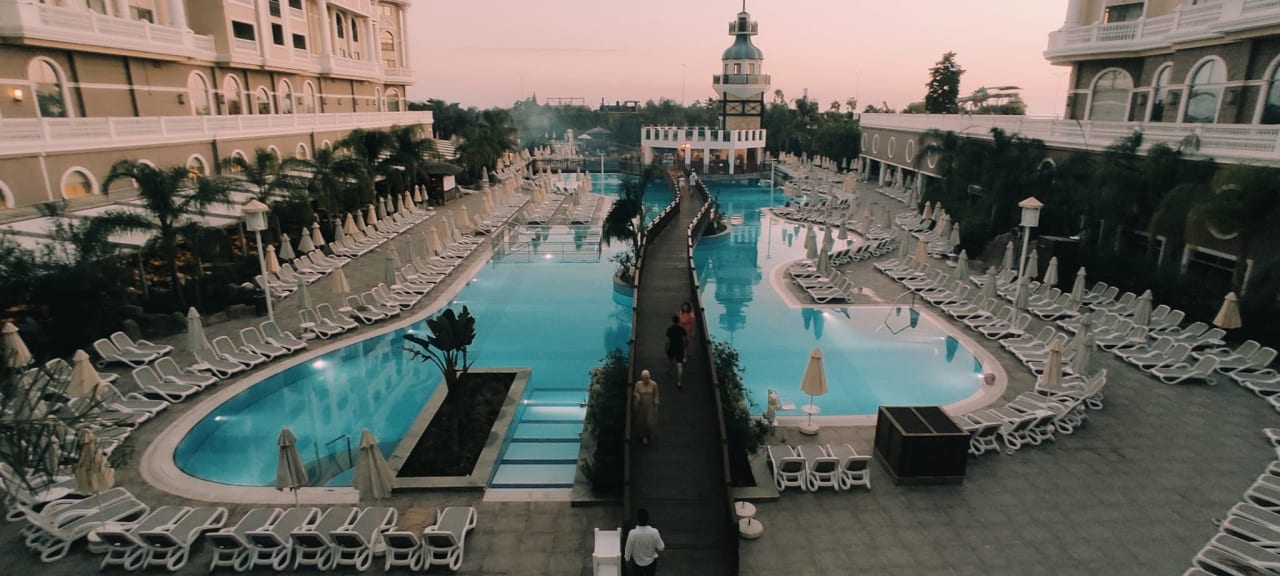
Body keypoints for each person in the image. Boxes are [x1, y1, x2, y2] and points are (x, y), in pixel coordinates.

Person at [624, 508, 664, 575]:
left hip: (637, 563)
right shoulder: (654, 532)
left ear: (637, 519)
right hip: (651, 562)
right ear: (648, 518)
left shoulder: (632, 533)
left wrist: (627, 560)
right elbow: (661, 547)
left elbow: (628, 550)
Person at [633, 370, 659, 446]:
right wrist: (637, 396)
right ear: (642, 378)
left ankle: (649, 433)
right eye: (644, 378)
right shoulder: (638, 384)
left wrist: (656, 403)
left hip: (650, 406)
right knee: (642, 422)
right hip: (642, 406)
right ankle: (644, 436)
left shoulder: (654, 384)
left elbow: (656, 394)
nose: (646, 379)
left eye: (647, 378)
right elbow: (634, 392)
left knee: (650, 422)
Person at [665, 315, 687, 388]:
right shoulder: (682, 329)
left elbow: (667, 340)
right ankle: (679, 382)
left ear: (673, 321)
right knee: (679, 365)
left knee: (671, 360)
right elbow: (684, 340)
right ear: (679, 321)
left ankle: (670, 371)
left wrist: (666, 348)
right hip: (680, 348)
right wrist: (684, 349)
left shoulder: (670, 329)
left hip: (672, 347)